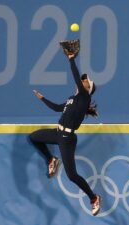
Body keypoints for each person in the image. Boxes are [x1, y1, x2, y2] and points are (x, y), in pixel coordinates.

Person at [29, 53, 101, 216]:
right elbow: (56, 108)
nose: (82, 81)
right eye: (83, 80)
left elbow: (76, 77)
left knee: (72, 175)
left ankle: (94, 197)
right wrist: (42, 98)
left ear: (87, 89)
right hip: (57, 133)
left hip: (67, 139)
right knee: (34, 137)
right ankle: (51, 159)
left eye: (85, 82)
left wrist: (71, 59)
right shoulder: (72, 99)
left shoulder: (84, 98)